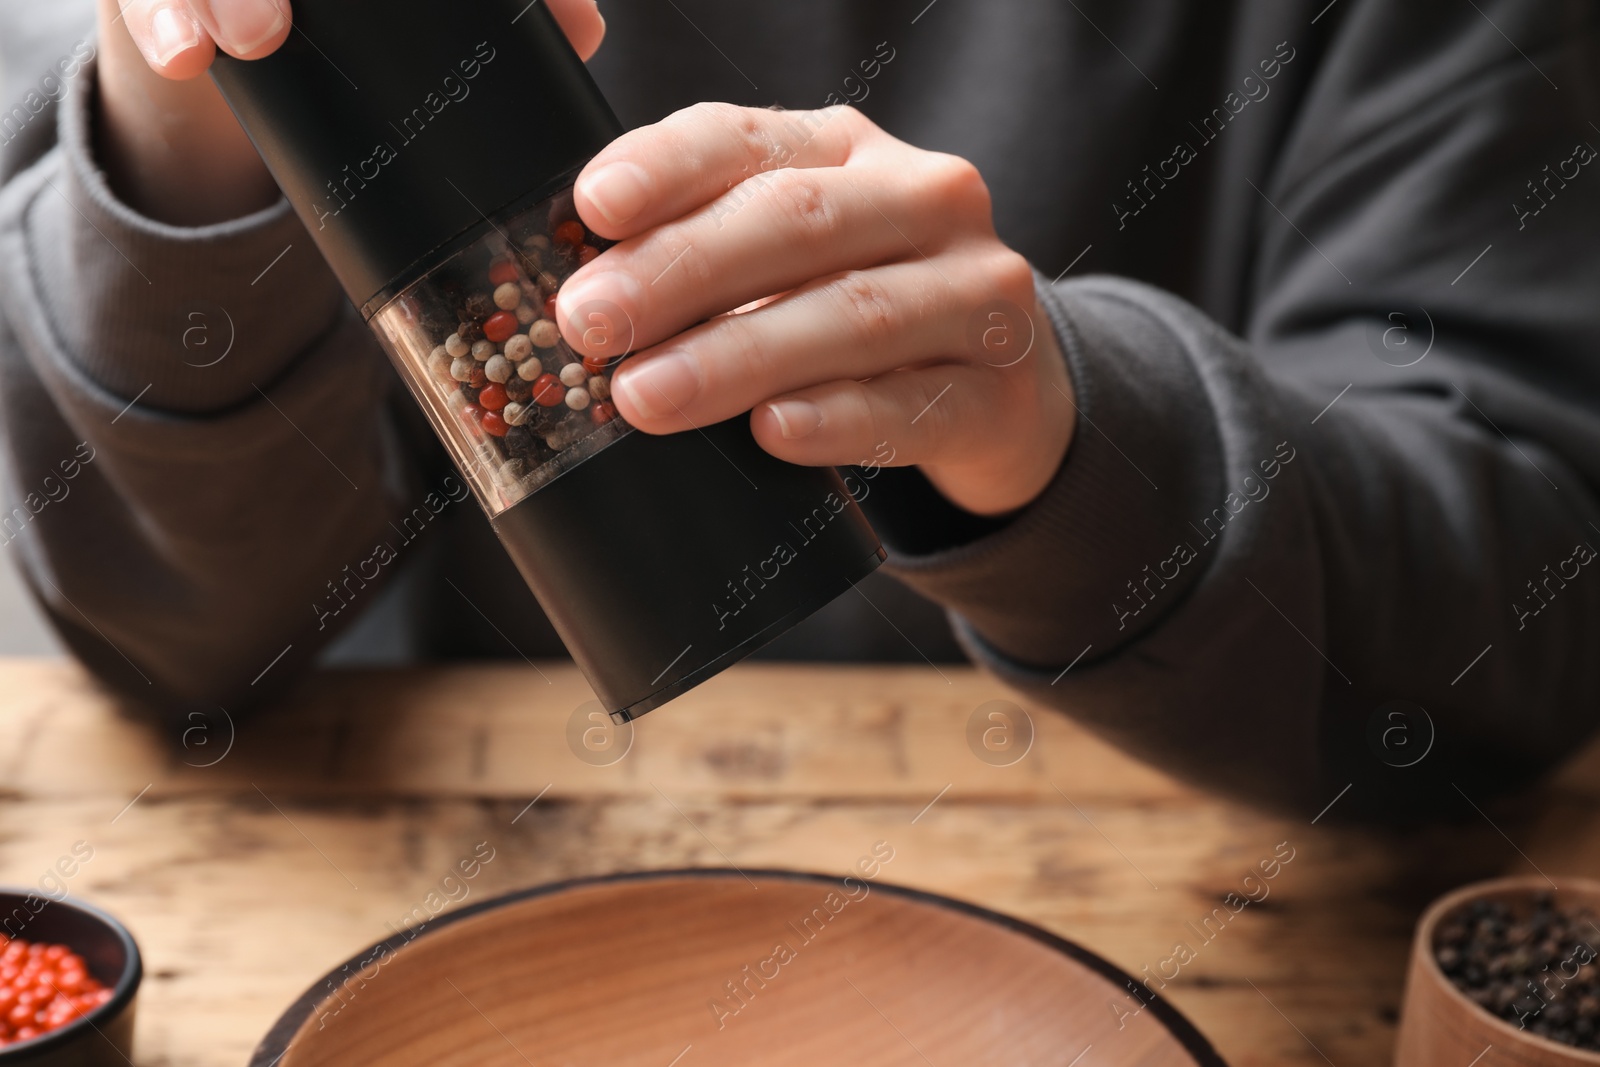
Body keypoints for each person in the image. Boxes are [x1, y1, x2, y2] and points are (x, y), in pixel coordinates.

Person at [2, 0, 1597, 817]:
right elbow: (173, 648)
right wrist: (195, 112)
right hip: (493, 869)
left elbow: (1529, 598)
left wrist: (1062, 436)